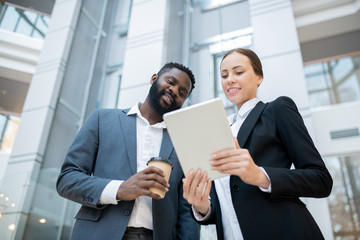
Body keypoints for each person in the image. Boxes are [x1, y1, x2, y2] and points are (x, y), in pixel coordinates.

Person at [182, 48, 333, 240]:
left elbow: (321, 180)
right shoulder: (218, 129)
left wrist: (261, 176)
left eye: (239, 72)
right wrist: (202, 207)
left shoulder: (277, 110)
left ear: (259, 77)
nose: (230, 79)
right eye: (224, 75)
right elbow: (230, 205)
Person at [57, 62, 200, 240]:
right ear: (154, 78)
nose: (174, 91)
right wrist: (120, 189)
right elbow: (67, 179)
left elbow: (186, 208)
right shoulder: (102, 119)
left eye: (182, 93)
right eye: (170, 82)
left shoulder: (182, 142)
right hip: (98, 233)